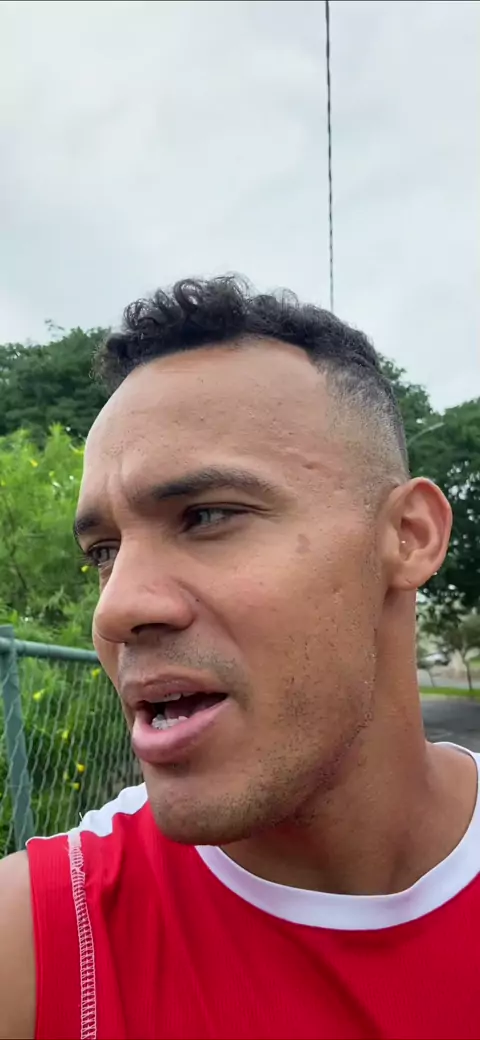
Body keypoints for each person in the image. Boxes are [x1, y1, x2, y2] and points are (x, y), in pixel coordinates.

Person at [0, 277, 478, 1040]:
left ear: (409, 536)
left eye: (207, 516)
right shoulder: (43, 943)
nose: (115, 609)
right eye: (104, 552)